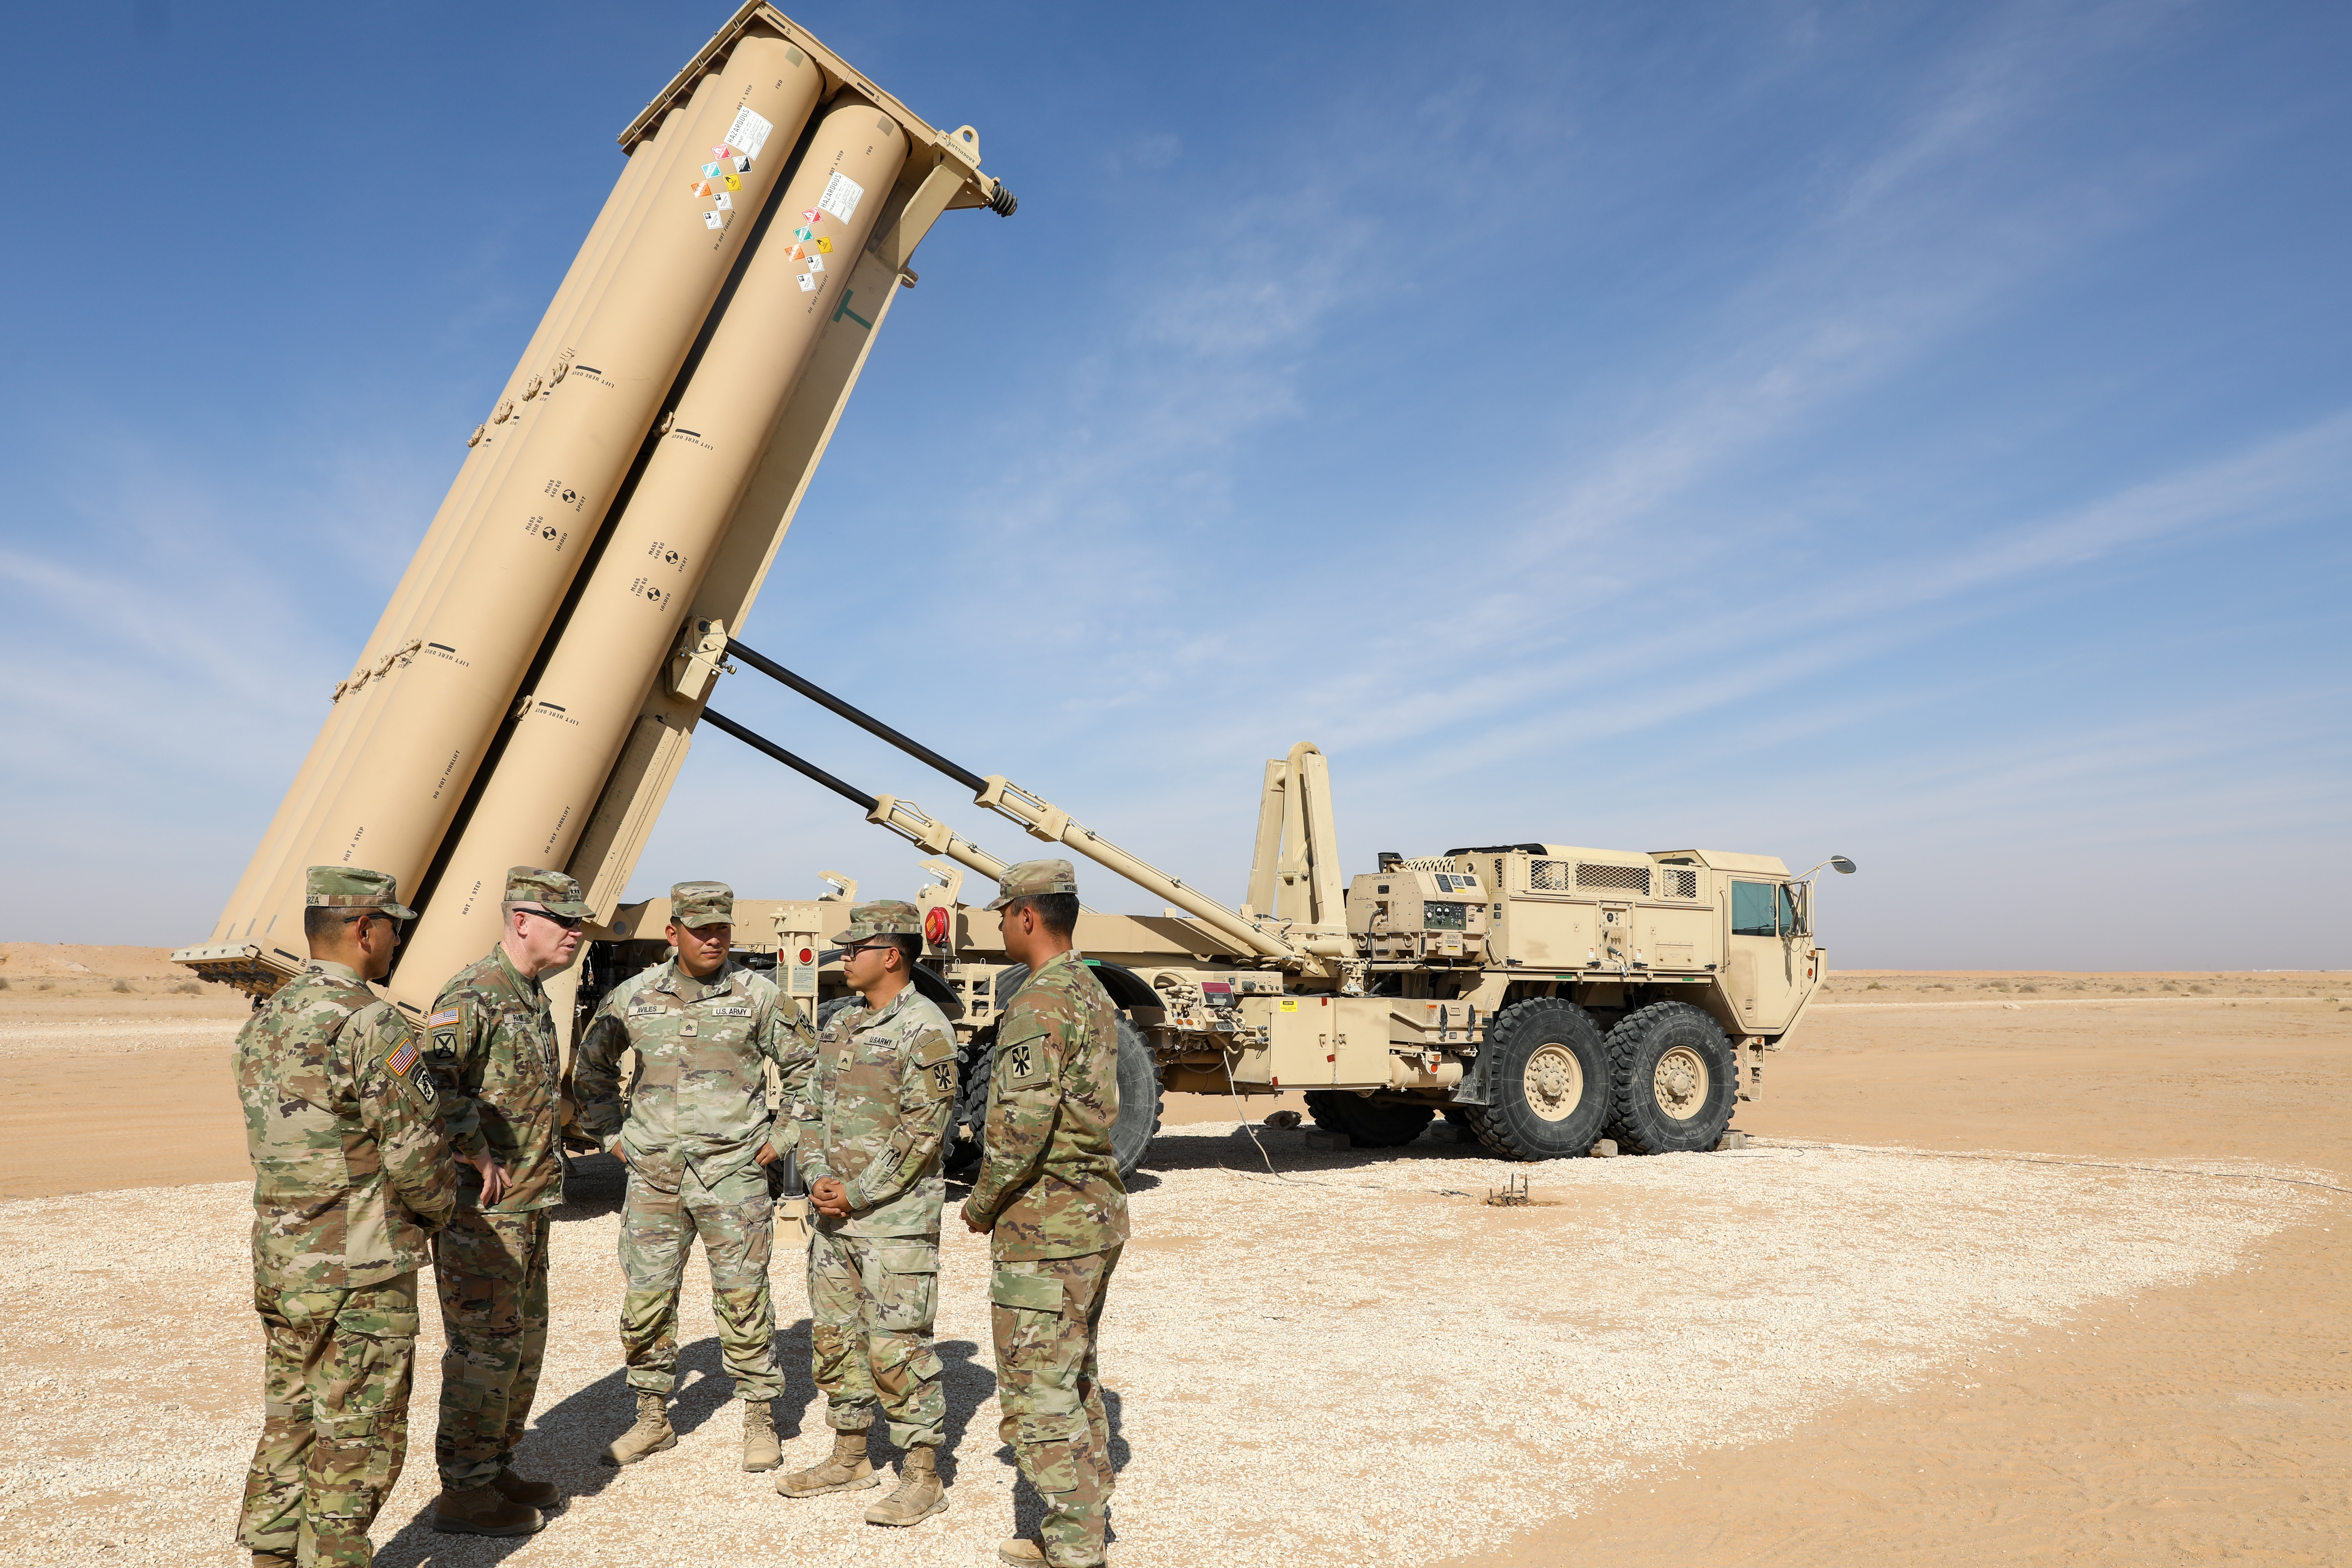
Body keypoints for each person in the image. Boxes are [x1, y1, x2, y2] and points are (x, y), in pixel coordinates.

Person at [233, 866, 456, 1568]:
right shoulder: (368, 1022)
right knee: (358, 1435)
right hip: (359, 1267)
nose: (399, 937)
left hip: (283, 1258)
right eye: (395, 924)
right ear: (364, 929)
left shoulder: (267, 1017)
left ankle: (272, 1552)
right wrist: (443, 1210)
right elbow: (416, 1152)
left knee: (292, 1414)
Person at [573, 880, 817, 1471]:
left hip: (732, 1175)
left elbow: (809, 1070)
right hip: (654, 1176)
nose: (713, 939)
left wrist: (780, 1139)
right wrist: (611, 1136)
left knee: (743, 1298)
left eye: (722, 929)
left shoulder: (758, 997)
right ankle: (652, 1416)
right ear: (673, 932)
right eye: (700, 929)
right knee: (647, 1299)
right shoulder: (633, 998)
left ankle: (760, 1415)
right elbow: (592, 1069)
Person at [961, 859, 1129, 1568]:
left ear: (1028, 915)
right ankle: (1082, 1523)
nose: (998, 925)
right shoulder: (1089, 988)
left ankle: (1073, 1545)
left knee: (1038, 1390)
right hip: (1092, 1216)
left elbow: (1021, 1127)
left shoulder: (1039, 1001)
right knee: (1075, 1372)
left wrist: (982, 1200)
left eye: (1002, 913)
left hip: (1044, 1226)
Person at [775, 899, 958, 1527]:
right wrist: (823, 1176)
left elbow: (922, 1132)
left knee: (896, 1348)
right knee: (836, 1340)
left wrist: (858, 1191)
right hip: (836, 1219)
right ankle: (851, 1454)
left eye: (856, 949)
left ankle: (922, 1475)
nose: (844, 958)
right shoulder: (843, 1025)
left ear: (893, 956)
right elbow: (810, 1110)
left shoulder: (926, 1030)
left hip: (894, 1221)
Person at [421, 866, 583, 1537]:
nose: (577, 934)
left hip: (528, 1206)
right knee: (484, 1348)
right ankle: (464, 1492)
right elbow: (430, 1082)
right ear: (522, 920)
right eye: (564, 921)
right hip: (481, 1217)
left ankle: (494, 1465)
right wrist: (472, 1148)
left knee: (523, 1344)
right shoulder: (474, 994)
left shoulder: (530, 994)